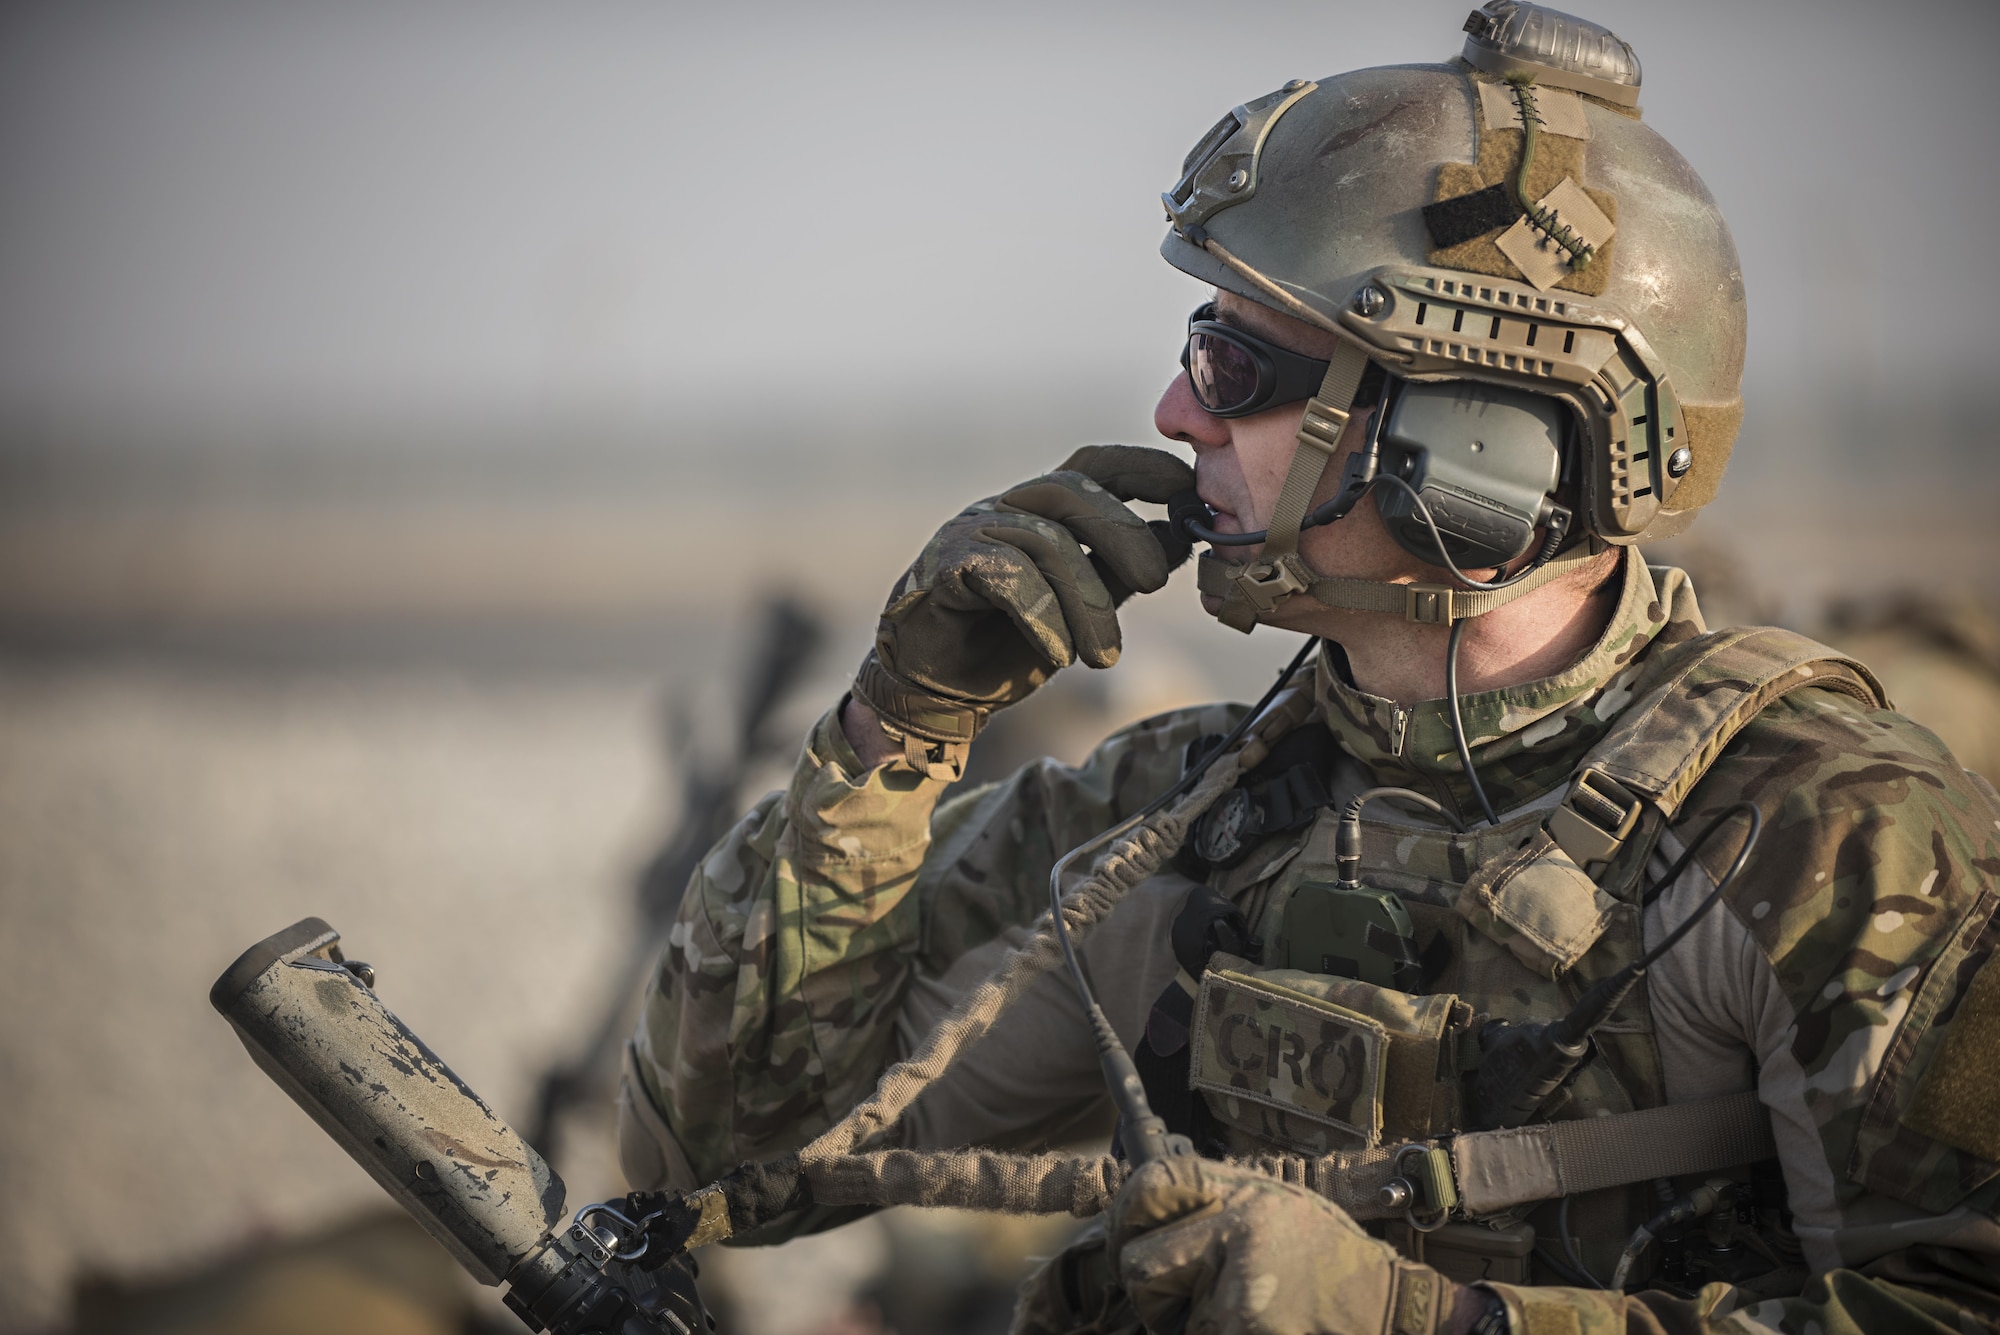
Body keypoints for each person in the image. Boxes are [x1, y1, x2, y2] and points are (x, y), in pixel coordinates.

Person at [616, 4, 2000, 1331]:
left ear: (1471, 438)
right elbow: (731, 1156)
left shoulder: (1834, 843)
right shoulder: (1179, 812)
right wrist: (897, 732)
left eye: (1232, 365)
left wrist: (1437, 1322)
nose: (1172, 413)